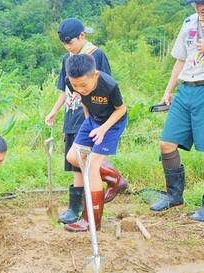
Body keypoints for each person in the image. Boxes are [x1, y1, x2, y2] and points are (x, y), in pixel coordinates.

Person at [45, 18, 128, 225]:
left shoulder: (96, 55)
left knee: (88, 163)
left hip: (100, 114)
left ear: (82, 36)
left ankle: (85, 212)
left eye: (70, 42)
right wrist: (55, 110)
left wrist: (99, 122)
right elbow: (66, 90)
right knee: (74, 158)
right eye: (65, 44)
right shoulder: (68, 59)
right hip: (75, 113)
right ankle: (85, 200)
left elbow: (106, 91)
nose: (68, 47)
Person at [150, 0, 204, 222]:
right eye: (196, 3)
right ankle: (174, 196)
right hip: (186, 89)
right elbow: (181, 60)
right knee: (166, 143)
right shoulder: (190, 21)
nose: (200, 7)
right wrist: (168, 90)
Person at [63, 54, 127, 232]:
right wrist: (88, 122)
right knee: (73, 157)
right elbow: (85, 101)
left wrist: (103, 129)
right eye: (76, 85)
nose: (80, 89)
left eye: (84, 85)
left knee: (92, 167)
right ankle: (116, 179)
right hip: (93, 120)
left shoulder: (109, 86)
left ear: (95, 75)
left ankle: (91, 220)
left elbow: (121, 109)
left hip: (112, 123)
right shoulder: (73, 82)